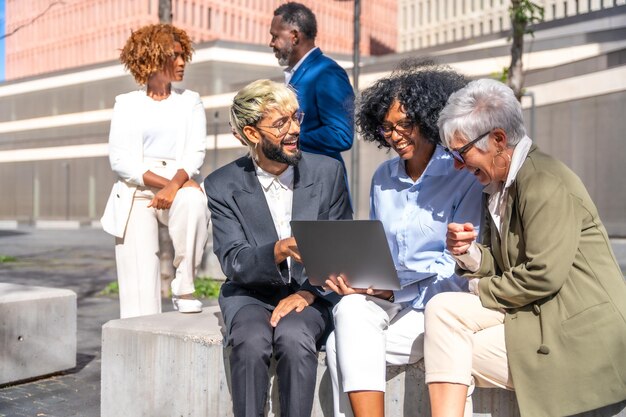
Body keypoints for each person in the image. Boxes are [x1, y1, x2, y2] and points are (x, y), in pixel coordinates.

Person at [425, 78, 626, 417]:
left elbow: (541, 276)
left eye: (461, 153)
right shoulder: (502, 185)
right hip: (541, 313)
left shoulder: (544, 181)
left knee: (449, 352)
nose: (458, 165)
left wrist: (476, 285)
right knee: (442, 309)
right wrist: (469, 254)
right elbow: (508, 266)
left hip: (578, 333)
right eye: (452, 155)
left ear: (499, 140)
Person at [323, 65, 484, 417]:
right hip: (391, 299)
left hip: (437, 307)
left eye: (403, 124)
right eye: (386, 126)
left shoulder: (462, 176)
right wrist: (362, 278)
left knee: (338, 347)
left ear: (428, 120)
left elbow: (457, 267)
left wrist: (395, 291)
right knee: (348, 308)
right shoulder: (382, 178)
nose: (394, 135)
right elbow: (382, 250)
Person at [204, 79, 352, 417]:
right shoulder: (221, 184)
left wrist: (309, 294)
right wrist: (280, 248)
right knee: (250, 341)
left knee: (295, 338)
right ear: (252, 134)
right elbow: (234, 261)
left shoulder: (327, 172)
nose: (295, 129)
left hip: (311, 290)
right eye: (281, 123)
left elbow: (342, 247)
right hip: (249, 293)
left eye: (296, 117)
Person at [100, 24, 209, 318]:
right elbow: (121, 161)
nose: (182, 61)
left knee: (195, 200)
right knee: (139, 297)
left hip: (178, 183)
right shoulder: (126, 104)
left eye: (183, 54)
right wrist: (165, 185)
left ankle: (184, 285)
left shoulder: (190, 101)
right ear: (151, 58)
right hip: (137, 191)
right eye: (174, 55)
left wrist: (175, 186)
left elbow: (195, 152)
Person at [270, 2, 354, 168]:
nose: (271, 43)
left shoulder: (327, 72)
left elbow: (341, 135)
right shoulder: (297, 73)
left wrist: (281, 137)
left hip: (321, 187)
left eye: (275, 36)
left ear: (294, 36)